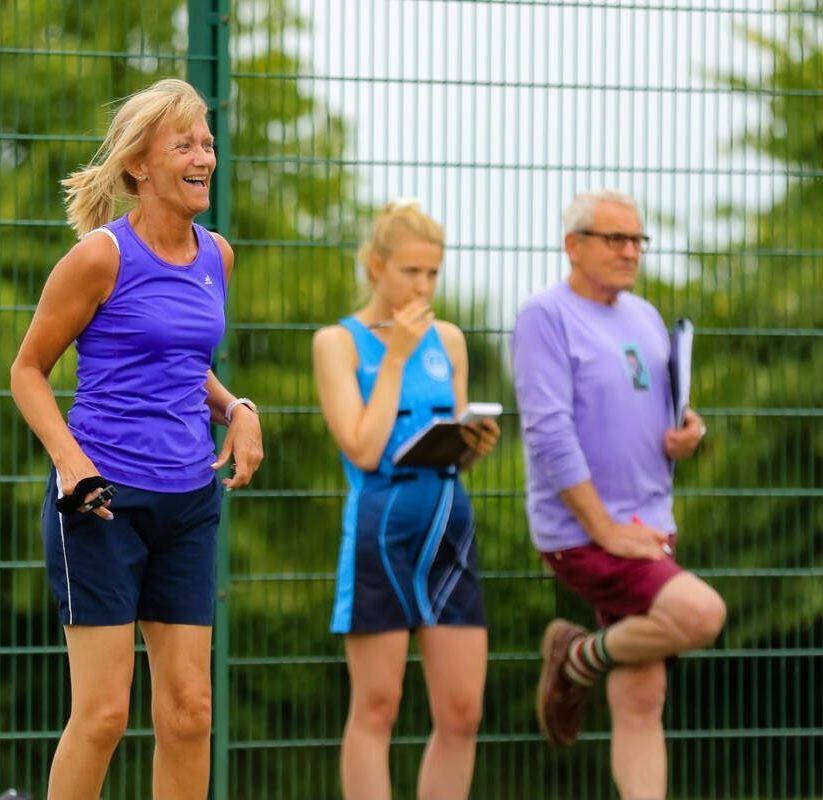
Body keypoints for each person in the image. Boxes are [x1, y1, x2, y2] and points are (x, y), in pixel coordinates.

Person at [9, 79, 263, 800]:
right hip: (101, 504)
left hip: (189, 502)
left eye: (207, 142)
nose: (204, 157)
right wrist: (71, 465)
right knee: (104, 714)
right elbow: (27, 371)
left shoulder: (218, 254)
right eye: (184, 144)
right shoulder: (99, 257)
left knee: (189, 712)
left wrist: (235, 406)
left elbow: (183, 363)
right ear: (138, 168)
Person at [511, 189, 726, 800]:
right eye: (616, 239)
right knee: (701, 615)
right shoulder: (544, 317)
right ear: (573, 245)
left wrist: (690, 432)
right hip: (588, 532)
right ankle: (576, 657)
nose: (631, 251)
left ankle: (582, 657)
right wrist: (604, 527)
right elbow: (549, 434)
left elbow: (664, 411)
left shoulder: (645, 315)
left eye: (637, 240)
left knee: (641, 695)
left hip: (649, 521)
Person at [312, 200, 500, 800]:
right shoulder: (337, 343)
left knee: (463, 711)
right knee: (378, 706)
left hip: (448, 524)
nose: (422, 287)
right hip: (381, 528)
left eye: (432, 274)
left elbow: (449, 443)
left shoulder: (449, 338)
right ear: (375, 266)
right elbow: (365, 449)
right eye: (410, 272)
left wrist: (474, 443)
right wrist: (394, 355)